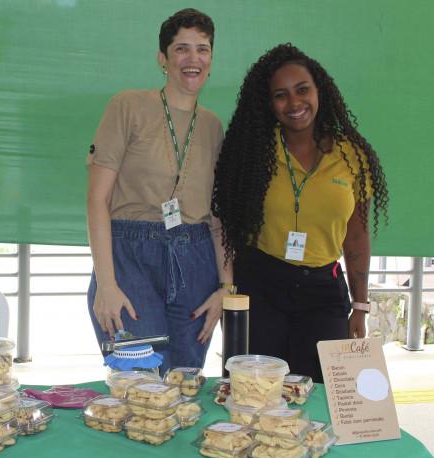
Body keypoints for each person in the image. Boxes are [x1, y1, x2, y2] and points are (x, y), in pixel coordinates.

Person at [211, 43, 389, 382]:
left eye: (302, 89)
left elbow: (357, 235)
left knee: (320, 396)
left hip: (323, 292)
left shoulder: (351, 157)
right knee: (254, 394)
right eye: (281, 95)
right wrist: (229, 295)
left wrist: (360, 306)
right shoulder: (252, 153)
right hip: (261, 288)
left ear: (319, 90)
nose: (294, 103)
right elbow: (227, 226)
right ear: (269, 103)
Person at [86, 8, 233, 373]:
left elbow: (218, 217)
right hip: (130, 259)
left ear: (211, 59)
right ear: (162, 59)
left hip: (196, 261)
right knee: (142, 388)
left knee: (184, 385)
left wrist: (226, 286)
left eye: (202, 49)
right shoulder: (128, 106)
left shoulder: (214, 127)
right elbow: (97, 200)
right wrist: (106, 284)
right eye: (181, 49)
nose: (193, 59)